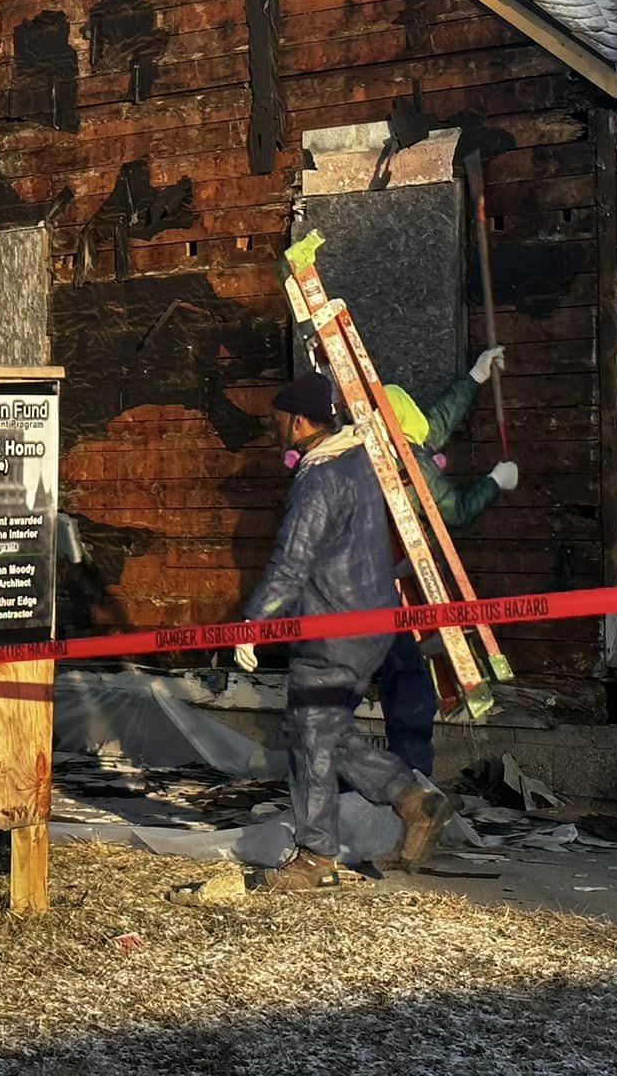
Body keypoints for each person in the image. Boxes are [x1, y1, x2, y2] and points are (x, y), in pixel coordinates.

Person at [235, 371, 458, 890]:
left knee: (312, 736)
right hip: (377, 622)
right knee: (319, 728)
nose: (275, 431)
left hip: (333, 626)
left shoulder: (317, 481)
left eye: (277, 422)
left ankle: (316, 856)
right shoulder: (360, 462)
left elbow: (291, 564)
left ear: (296, 422)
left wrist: (253, 623)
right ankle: (414, 800)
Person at [377, 347, 519, 775]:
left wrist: (475, 376)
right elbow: (454, 510)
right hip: (396, 597)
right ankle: (411, 780)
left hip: (368, 589)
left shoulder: (382, 446)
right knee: (409, 682)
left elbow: (433, 425)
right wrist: (495, 481)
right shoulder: (408, 464)